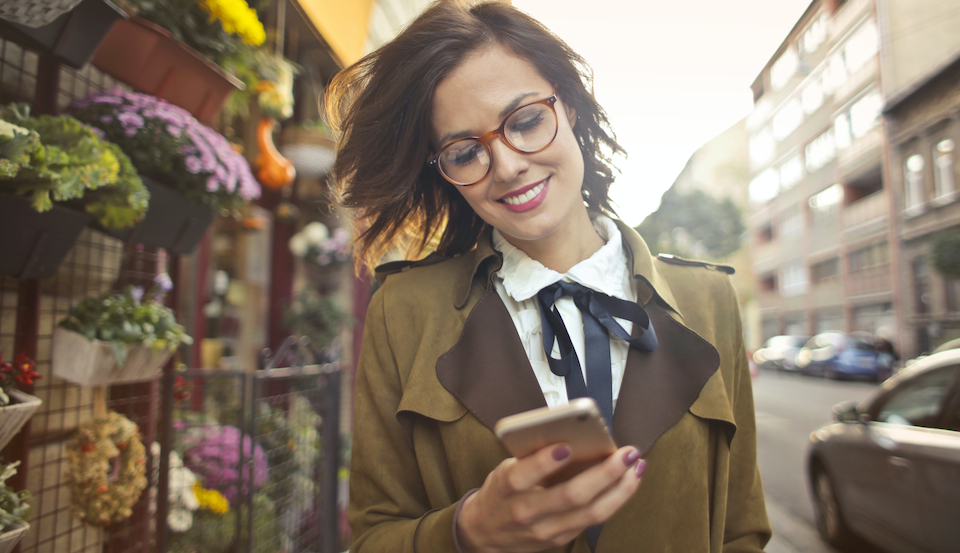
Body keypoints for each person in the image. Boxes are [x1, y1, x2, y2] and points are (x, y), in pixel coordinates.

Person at [324, 2, 771, 551]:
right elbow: (372, 537)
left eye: (526, 121)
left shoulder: (711, 300)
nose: (509, 165)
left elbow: (742, 531)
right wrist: (469, 530)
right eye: (465, 152)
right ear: (445, 173)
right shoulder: (404, 309)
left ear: (570, 103)